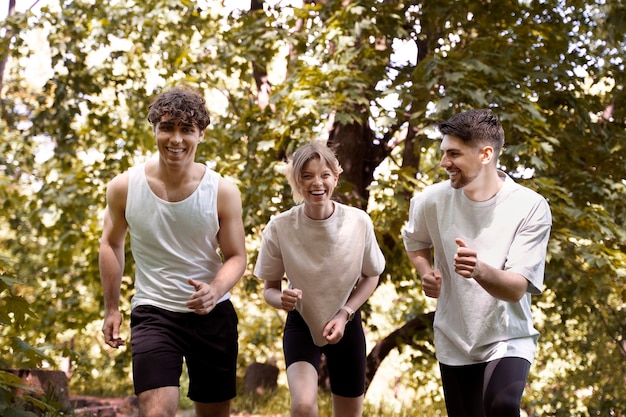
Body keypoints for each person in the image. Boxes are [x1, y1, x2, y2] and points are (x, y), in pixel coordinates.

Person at [99, 86, 247, 417]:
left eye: (186, 130)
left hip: (212, 315)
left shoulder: (222, 191)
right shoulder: (124, 187)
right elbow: (111, 243)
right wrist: (111, 308)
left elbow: (237, 256)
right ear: (154, 129)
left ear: (201, 134)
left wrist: (216, 289)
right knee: (156, 413)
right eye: (167, 127)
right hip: (154, 312)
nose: (175, 139)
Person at [402, 109, 552, 417]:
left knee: (502, 405)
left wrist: (479, 269)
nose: (444, 163)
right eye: (444, 153)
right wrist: (425, 272)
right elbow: (415, 243)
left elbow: (515, 290)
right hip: (454, 338)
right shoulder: (430, 201)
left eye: (453, 154)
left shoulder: (529, 206)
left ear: (485, 154)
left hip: (507, 335)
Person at [253, 142, 385, 417]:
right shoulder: (280, 227)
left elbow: (372, 275)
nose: (317, 183)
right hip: (301, 325)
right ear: (296, 180)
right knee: (302, 406)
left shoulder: (358, 222)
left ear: (336, 177)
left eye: (324, 174)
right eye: (307, 175)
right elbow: (270, 290)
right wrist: (282, 299)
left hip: (347, 325)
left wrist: (344, 313)